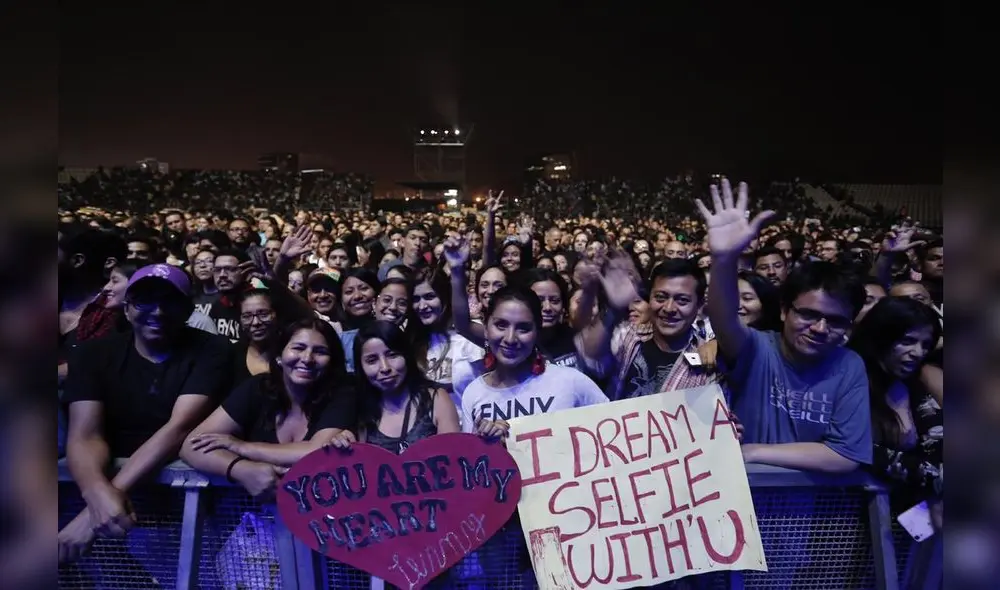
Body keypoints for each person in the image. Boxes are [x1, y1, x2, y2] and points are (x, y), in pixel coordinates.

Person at [60, 264, 233, 563]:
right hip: (111, 504)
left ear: (188, 310)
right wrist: (96, 495)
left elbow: (178, 427)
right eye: (145, 300)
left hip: (188, 507)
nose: (158, 310)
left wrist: (91, 516)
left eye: (170, 301)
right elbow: (85, 434)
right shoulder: (93, 355)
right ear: (127, 309)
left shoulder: (211, 349)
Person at [697, 179, 871, 473]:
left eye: (836, 321)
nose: (819, 328)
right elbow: (723, 317)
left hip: (803, 516)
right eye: (808, 314)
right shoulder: (757, 349)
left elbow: (844, 454)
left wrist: (753, 451)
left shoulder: (849, 366)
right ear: (783, 311)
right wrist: (724, 260)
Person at [180, 318, 356, 498]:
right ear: (279, 355)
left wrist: (241, 447)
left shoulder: (342, 393)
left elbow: (317, 451)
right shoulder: (257, 388)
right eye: (298, 348)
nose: (307, 358)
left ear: (332, 361)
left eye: (320, 351)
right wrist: (241, 470)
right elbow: (190, 446)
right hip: (250, 517)